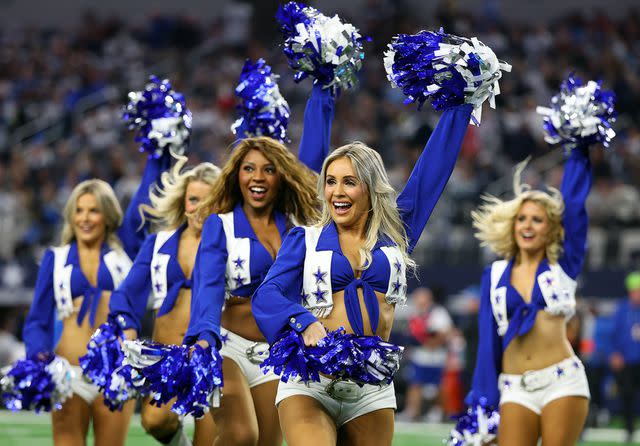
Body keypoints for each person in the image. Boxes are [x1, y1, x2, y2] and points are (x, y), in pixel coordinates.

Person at [252, 104, 472, 446]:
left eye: (349, 182)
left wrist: (461, 103)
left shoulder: (397, 233)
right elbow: (267, 295)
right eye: (331, 182)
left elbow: (431, 173)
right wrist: (303, 321)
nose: (337, 192)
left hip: (372, 389)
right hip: (310, 382)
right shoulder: (306, 239)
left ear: (370, 188)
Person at [183, 123, 326, 445]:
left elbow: (316, 159)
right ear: (237, 176)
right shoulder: (220, 225)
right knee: (240, 435)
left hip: (277, 352)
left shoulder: (299, 228)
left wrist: (323, 96)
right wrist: (203, 338)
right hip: (226, 346)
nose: (257, 177)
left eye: (268, 169)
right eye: (248, 169)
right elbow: (207, 287)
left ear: (282, 177)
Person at [21, 151, 167, 446]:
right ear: (71, 215)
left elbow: (145, 201)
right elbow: (37, 320)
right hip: (67, 374)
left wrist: (158, 151)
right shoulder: (56, 258)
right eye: (79, 210)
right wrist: (39, 358)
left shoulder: (125, 249)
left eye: (93, 210)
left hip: (115, 372)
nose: (85, 218)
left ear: (108, 215)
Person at [466, 146, 593, 446]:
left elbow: (574, 207)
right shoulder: (494, 275)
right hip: (513, 387)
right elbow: (488, 343)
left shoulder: (563, 267)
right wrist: (482, 404)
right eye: (522, 219)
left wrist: (579, 148)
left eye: (537, 220)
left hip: (562, 380)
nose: (527, 225)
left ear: (550, 229)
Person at [108, 155, 220, 446]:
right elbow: (127, 293)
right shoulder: (157, 243)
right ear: (183, 202)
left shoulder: (231, 245)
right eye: (193, 200)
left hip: (213, 356)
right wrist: (127, 326)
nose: (199, 209)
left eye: (209, 202)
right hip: (167, 355)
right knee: (154, 421)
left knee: (210, 439)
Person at [402, 286, 453, 422]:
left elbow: (445, 332)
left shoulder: (438, 312)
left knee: (438, 385)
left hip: (436, 355)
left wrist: (430, 343)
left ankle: (441, 412)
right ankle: (412, 411)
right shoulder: (414, 313)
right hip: (420, 354)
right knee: (415, 383)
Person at [609, 271, 640, 443]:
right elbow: (614, 334)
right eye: (636, 291)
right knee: (627, 395)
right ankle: (629, 429)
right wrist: (615, 353)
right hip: (627, 361)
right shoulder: (622, 309)